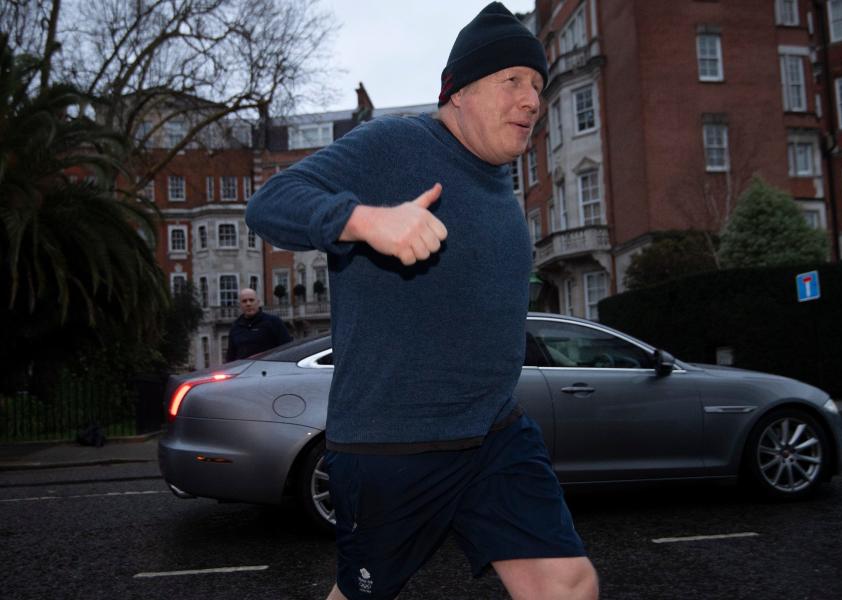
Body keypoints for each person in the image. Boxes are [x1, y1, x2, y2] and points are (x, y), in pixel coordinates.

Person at [245, 3, 599, 598]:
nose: (532, 100)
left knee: (568, 584)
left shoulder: (502, 189)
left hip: (494, 434)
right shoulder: (396, 145)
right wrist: (364, 221)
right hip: (395, 443)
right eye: (512, 80)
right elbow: (271, 204)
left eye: (537, 85)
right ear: (457, 91)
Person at [225, 288, 292, 361]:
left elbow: (287, 349)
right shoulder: (235, 327)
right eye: (244, 301)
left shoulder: (273, 322)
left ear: (258, 302)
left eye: (251, 300)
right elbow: (231, 356)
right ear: (240, 305)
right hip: (245, 370)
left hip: (269, 368)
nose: (248, 304)